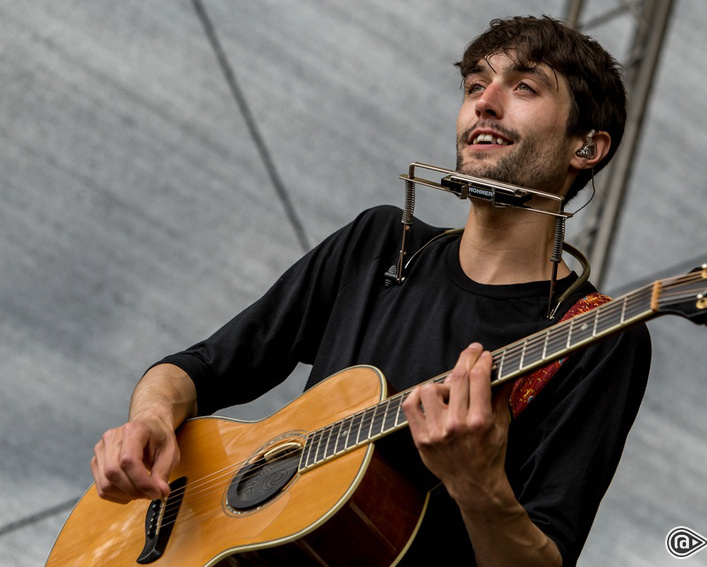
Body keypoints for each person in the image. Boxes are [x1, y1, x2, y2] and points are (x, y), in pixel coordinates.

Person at [90, 15, 650, 566]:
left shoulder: (595, 337)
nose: (485, 100)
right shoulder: (379, 244)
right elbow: (200, 368)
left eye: (524, 87)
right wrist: (152, 419)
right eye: (476, 85)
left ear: (587, 147)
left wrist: (478, 487)